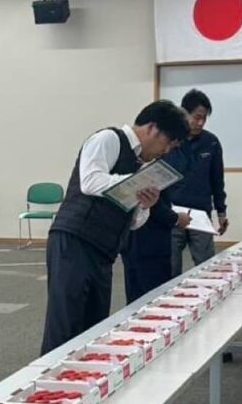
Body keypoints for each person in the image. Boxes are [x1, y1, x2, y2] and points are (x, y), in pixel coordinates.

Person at [40, 100, 189, 354]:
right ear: (153, 129)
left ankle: (83, 377)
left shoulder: (139, 164)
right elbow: (90, 181)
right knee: (65, 323)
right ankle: (47, 377)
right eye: (167, 143)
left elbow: (134, 223)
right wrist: (136, 182)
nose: (165, 152)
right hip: (74, 240)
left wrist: (145, 205)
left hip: (104, 250)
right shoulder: (108, 139)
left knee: (95, 327)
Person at [167, 89, 228, 277]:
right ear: (184, 113)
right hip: (172, 213)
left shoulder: (211, 142)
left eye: (204, 118)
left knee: (207, 269)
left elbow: (217, 180)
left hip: (200, 214)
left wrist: (221, 212)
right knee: (169, 269)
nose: (200, 123)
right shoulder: (170, 140)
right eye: (197, 117)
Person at [121, 173, 192, 304]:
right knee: (153, 298)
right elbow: (151, 201)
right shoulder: (150, 170)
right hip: (149, 243)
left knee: (135, 295)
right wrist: (176, 218)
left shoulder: (132, 166)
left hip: (133, 240)